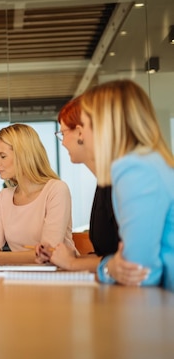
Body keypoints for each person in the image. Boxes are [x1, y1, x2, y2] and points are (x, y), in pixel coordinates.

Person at [77, 80, 174, 290]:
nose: (81, 136)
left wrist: (107, 268)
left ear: (104, 126)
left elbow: (139, 272)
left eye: (84, 126)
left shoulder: (135, 169)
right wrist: (111, 265)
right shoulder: (151, 162)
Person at [0, 123, 75, 265]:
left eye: (2, 156)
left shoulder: (57, 190)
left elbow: (47, 254)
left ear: (24, 156)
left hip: (60, 276)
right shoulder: (3, 197)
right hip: (20, 275)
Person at [35, 97, 124, 274]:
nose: (63, 142)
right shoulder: (103, 183)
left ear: (81, 132)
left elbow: (129, 264)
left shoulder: (121, 182)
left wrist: (72, 263)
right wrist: (69, 258)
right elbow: (108, 257)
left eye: (63, 133)